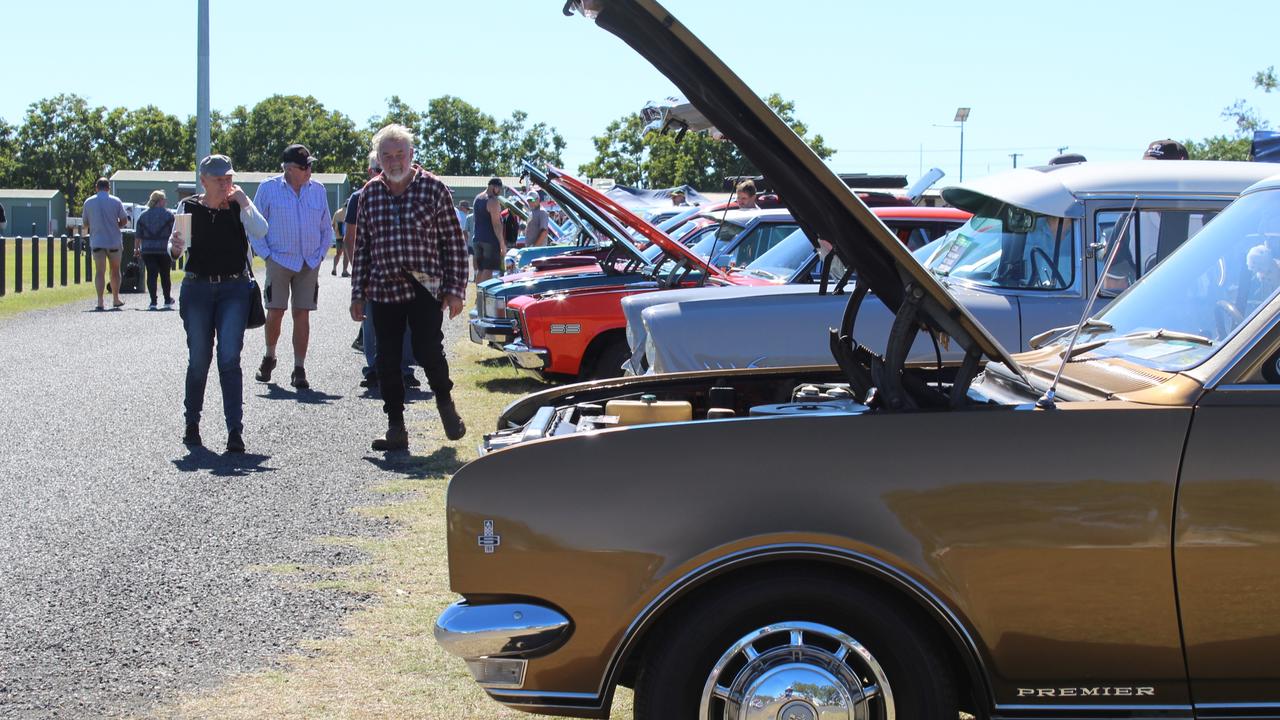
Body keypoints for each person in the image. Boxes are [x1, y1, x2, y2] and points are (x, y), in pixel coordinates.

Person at [350, 123, 468, 451]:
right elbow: (363, 247)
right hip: (383, 288)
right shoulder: (369, 194)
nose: (394, 160)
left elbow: (454, 242)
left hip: (426, 285)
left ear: (411, 154)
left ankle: (446, 406)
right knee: (386, 359)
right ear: (378, 159)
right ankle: (395, 428)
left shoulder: (434, 188)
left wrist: (456, 288)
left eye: (399, 153)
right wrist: (357, 294)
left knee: (428, 349)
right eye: (387, 155)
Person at [168, 154, 268, 452]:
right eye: (219, 179)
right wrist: (173, 248)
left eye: (229, 178)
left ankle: (234, 430)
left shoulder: (239, 206)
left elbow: (261, 230)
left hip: (234, 288)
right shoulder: (188, 207)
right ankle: (192, 423)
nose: (226, 184)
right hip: (198, 288)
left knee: (229, 357)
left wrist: (246, 202)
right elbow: (176, 249)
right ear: (204, 181)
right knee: (199, 359)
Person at [251, 143, 332, 390]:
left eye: (310, 165)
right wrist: (267, 255)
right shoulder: (268, 188)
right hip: (280, 259)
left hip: (308, 261)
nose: (309, 170)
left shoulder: (317, 189)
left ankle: (299, 368)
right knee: (276, 311)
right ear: (288, 169)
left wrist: (319, 255)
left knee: (302, 313)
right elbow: (254, 225)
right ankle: (270, 356)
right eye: (303, 166)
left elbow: (325, 227)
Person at [344, 150, 415, 389]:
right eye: (377, 169)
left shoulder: (409, 191)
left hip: (405, 271)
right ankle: (374, 368)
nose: (383, 173)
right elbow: (351, 237)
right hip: (373, 272)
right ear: (371, 171)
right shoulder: (359, 196)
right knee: (372, 322)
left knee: (405, 323)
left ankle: (404, 369)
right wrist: (359, 272)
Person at [82, 178, 130, 310]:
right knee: (115, 271)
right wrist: (116, 225)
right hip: (113, 241)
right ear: (108, 188)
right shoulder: (116, 201)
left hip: (97, 241)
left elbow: (85, 223)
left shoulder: (88, 202)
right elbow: (124, 220)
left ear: (96, 188)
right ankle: (115, 299)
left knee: (99, 272)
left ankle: (100, 301)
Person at [135, 190, 176, 309]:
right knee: (165, 275)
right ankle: (167, 300)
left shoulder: (143, 215)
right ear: (160, 201)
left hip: (148, 250)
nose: (166, 201)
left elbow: (138, 235)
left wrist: (136, 248)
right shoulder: (169, 215)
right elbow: (173, 232)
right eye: (165, 199)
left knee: (151, 275)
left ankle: (153, 302)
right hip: (164, 249)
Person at [472, 178, 507, 283]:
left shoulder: (477, 198)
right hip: (489, 240)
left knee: (481, 269)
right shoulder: (492, 201)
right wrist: (502, 244)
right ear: (493, 187)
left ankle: (479, 296)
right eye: (498, 188)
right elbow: (496, 225)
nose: (499, 191)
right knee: (488, 270)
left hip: (477, 238)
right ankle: (483, 296)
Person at [330, 203, 350, 277]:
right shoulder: (349, 211)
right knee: (346, 255)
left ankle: (334, 269)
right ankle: (344, 271)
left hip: (338, 236)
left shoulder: (337, 212)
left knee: (338, 254)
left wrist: (336, 232)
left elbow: (332, 224)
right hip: (347, 236)